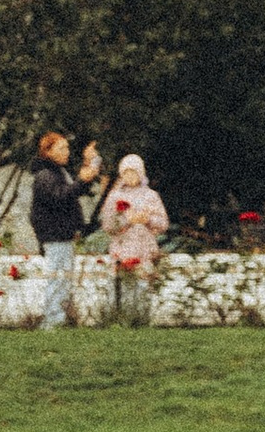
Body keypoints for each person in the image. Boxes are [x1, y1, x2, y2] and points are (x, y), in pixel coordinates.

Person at [28, 132, 100, 329]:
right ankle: (52, 323)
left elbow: (72, 192)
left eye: (67, 147)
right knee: (58, 279)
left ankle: (57, 320)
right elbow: (60, 197)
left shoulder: (58, 172)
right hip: (55, 236)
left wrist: (88, 168)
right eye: (61, 148)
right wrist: (82, 181)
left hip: (62, 236)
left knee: (62, 280)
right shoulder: (45, 175)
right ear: (48, 151)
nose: (66, 152)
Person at [99, 153, 169, 326]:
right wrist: (127, 220)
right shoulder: (115, 196)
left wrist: (147, 220)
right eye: (126, 173)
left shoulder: (151, 195)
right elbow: (107, 225)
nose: (130, 176)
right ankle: (125, 322)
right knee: (126, 286)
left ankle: (143, 322)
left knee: (144, 285)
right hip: (123, 249)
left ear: (141, 173)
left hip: (145, 249)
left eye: (134, 172)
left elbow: (163, 223)